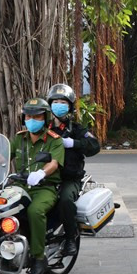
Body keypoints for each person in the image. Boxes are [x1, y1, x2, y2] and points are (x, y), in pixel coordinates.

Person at [9, 98, 65, 274]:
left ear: (46, 117)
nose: (32, 119)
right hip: (20, 186)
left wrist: (41, 173)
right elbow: (1, 156)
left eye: (37, 116)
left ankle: (39, 257)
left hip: (44, 188)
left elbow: (54, 163)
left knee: (35, 211)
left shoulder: (54, 141)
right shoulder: (19, 138)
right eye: (28, 115)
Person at [46, 83, 101, 257]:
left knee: (65, 201)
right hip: (45, 177)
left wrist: (74, 144)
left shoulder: (76, 129)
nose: (59, 105)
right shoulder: (43, 128)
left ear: (69, 106)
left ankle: (70, 238)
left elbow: (94, 146)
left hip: (69, 178)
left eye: (63, 102)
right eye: (55, 101)